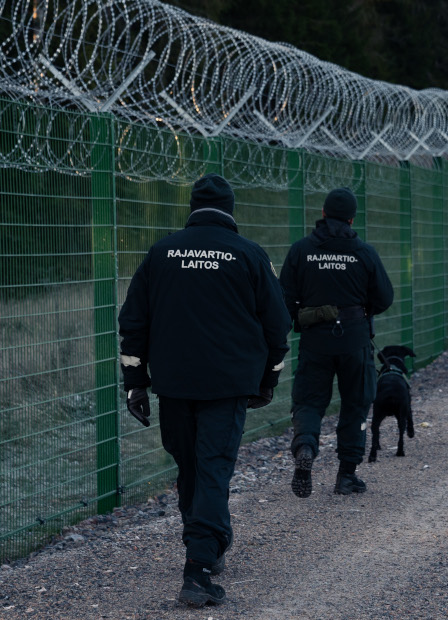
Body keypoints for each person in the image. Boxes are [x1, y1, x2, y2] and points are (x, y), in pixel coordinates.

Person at [117, 173, 290, 607]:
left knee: (191, 467)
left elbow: (133, 321)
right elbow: (277, 324)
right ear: (231, 209)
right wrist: (268, 378)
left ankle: (209, 546)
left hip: (173, 383)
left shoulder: (161, 253)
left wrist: (135, 384)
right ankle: (198, 568)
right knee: (213, 468)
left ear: (192, 207)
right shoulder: (249, 254)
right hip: (228, 384)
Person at [279, 187, 394, 498]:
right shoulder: (364, 252)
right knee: (356, 403)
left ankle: (305, 447)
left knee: (309, 401)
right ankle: (346, 475)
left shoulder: (302, 250)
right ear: (353, 218)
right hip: (354, 339)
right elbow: (385, 297)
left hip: (315, 340)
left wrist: (291, 324)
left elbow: (284, 297)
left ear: (323, 213)